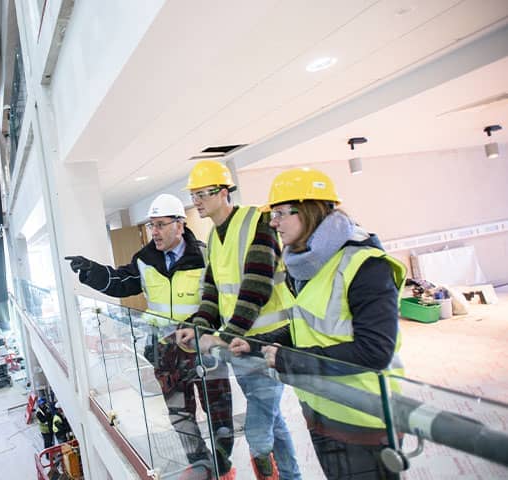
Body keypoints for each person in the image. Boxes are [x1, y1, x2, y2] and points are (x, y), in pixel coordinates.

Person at [216, 167, 406, 480]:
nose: (273, 223)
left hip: (364, 420)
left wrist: (289, 359)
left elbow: (375, 352)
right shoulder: (305, 267)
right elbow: (305, 326)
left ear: (309, 210)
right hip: (321, 412)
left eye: (280, 213)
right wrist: (258, 344)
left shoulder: (366, 266)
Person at [66, 193, 234, 480]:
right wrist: (93, 272)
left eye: (160, 224)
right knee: (179, 414)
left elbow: (221, 300)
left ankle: (222, 463)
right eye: (151, 225)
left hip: (204, 348)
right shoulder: (145, 259)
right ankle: (200, 464)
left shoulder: (206, 256)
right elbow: (121, 282)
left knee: (219, 410)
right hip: (167, 352)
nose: (153, 231)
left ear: (179, 224)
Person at [176, 160, 301, 480]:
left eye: (203, 193)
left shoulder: (257, 222)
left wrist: (224, 335)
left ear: (223, 192)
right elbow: (212, 292)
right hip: (240, 344)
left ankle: (270, 467)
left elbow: (256, 286)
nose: (196, 201)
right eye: (193, 195)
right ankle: (292, 476)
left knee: (259, 429)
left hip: (270, 340)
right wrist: (198, 326)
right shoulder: (214, 237)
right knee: (272, 418)